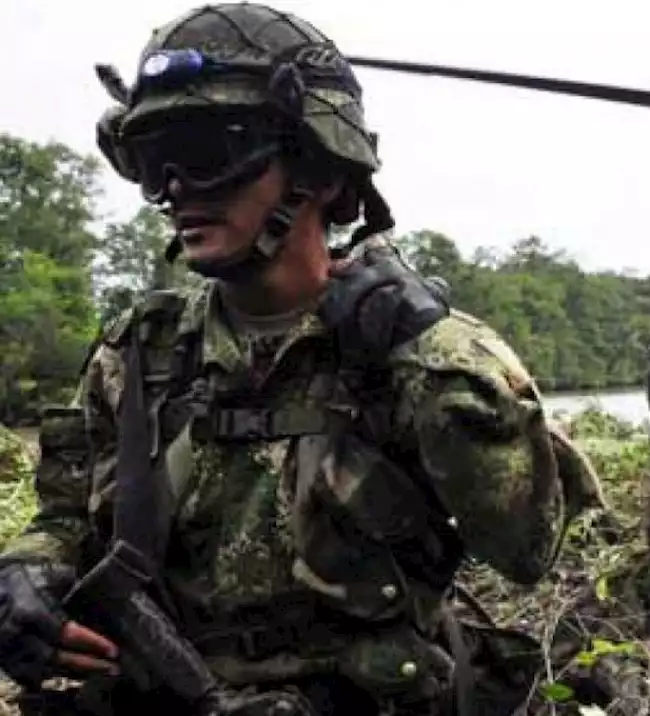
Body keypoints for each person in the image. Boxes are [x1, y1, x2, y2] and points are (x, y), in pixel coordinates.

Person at [0, 4, 604, 715]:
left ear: (315, 167)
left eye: (206, 153)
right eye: (153, 162)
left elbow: (526, 549)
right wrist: (25, 573)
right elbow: (66, 515)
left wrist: (429, 349)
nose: (178, 188)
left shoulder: (415, 354)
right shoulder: (138, 354)